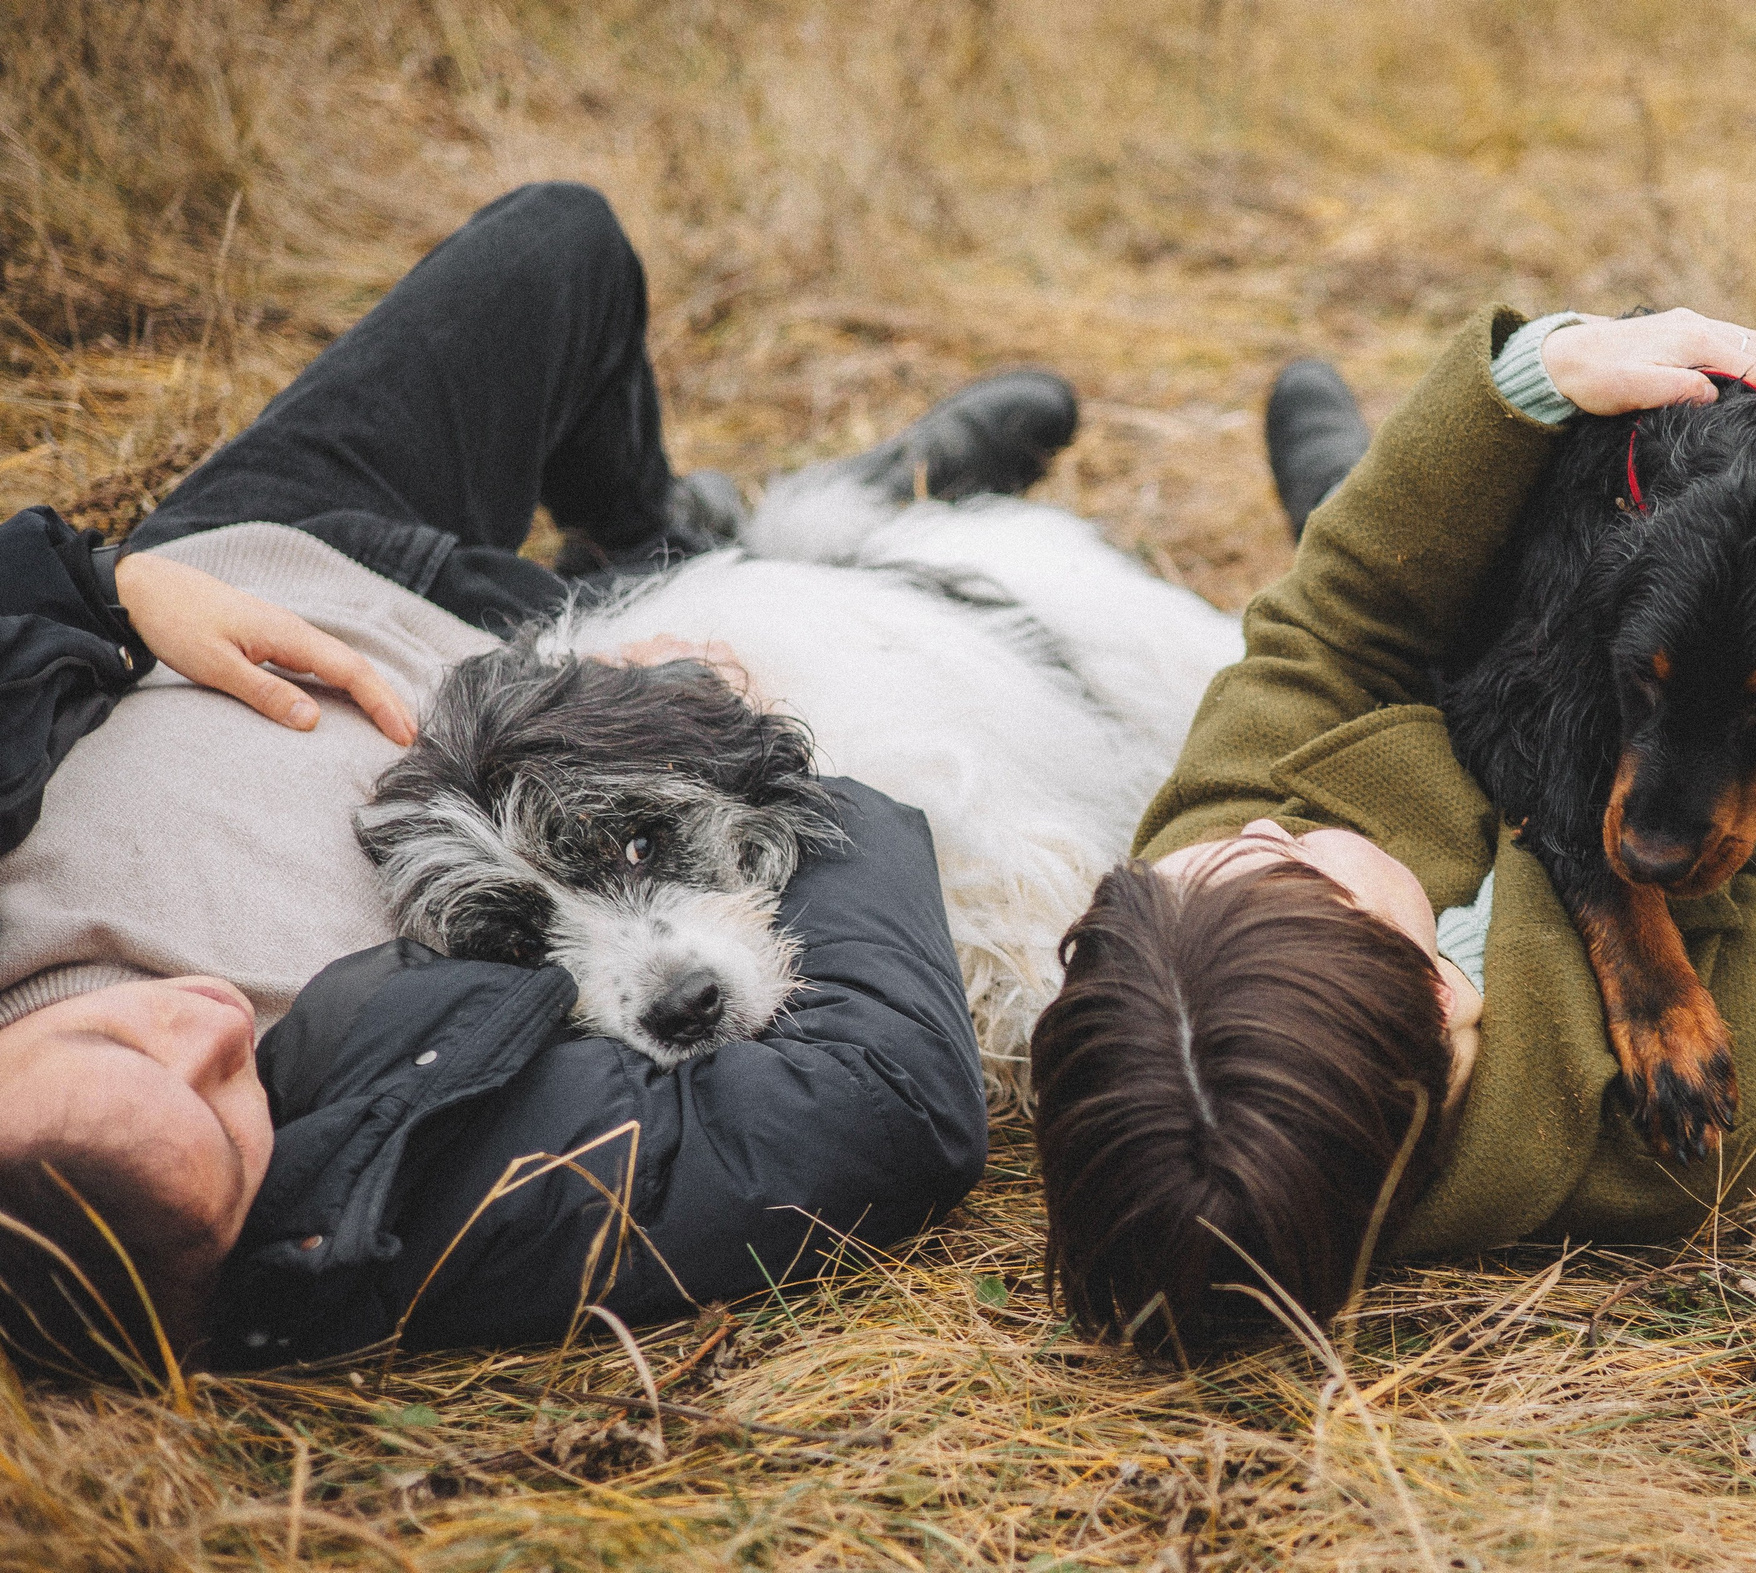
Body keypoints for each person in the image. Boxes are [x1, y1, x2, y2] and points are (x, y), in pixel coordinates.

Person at [0, 182, 1076, 1378]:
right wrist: (733, 717)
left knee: (566, 244)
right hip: (542, 660)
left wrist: (101, 585)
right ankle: (786, 540)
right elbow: (873, 1104)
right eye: (222, 1103)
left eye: (116, 1042)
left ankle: (658, 529)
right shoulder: (376, 1179)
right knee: (718, 594)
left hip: (273, 545)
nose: (203, 1024)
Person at [1030, 307, 1756, 1352]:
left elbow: (1330, 619)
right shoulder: (1651, 1137)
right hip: (1569, 613)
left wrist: (1528, 383)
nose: (1263, 827)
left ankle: (1315, 464)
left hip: (1463, 598)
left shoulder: (1196, 886)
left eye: (1206, 864)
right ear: (1441, 987)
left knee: (1339, 504)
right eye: (1297, 860)